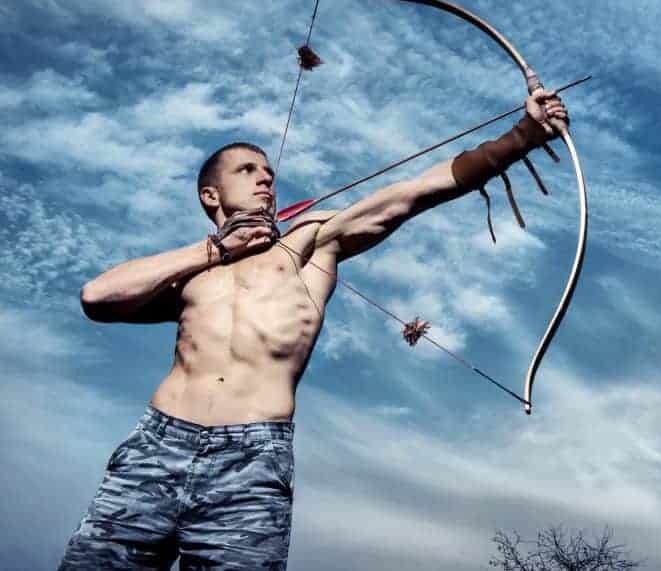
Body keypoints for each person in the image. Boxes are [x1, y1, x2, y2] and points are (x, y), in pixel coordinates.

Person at [58, 89, 570, 570]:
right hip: (157, 447)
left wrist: (525, 133)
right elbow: (97, 298)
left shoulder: (311, 244)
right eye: (247, 170)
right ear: (210, 195)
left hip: (251, 460)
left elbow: (412, 193)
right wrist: (214, 250)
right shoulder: (191, 273)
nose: (265, 178)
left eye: (268, 171)